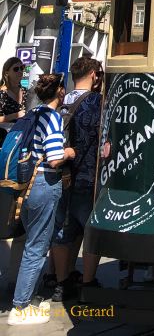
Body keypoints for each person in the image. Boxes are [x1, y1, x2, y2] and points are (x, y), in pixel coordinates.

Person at [8, 73, 76, 326]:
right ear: (59, 92)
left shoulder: (32, 114)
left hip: (25, 185)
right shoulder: (52, 118)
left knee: (30, 243)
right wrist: (70, 151)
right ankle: (21, 307)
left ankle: (26, 296)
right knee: (36, 247)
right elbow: (55, 157)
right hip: (44, 183)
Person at [50, 58, 104, 301]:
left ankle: (61, 282)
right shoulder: (97, 102)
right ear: (93, 75)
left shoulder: (62, 101)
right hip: (87, 176)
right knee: (91, 229)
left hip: (60, 175)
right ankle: (88, 282)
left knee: (62, 230)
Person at [0, 59, 27, 135]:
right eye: (16, 69)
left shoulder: (25, 91)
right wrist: (15, 115)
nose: (20, 71)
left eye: (22, 68)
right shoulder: (2, 93)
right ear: (7, 73)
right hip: (5, 137)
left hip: (22, 135)